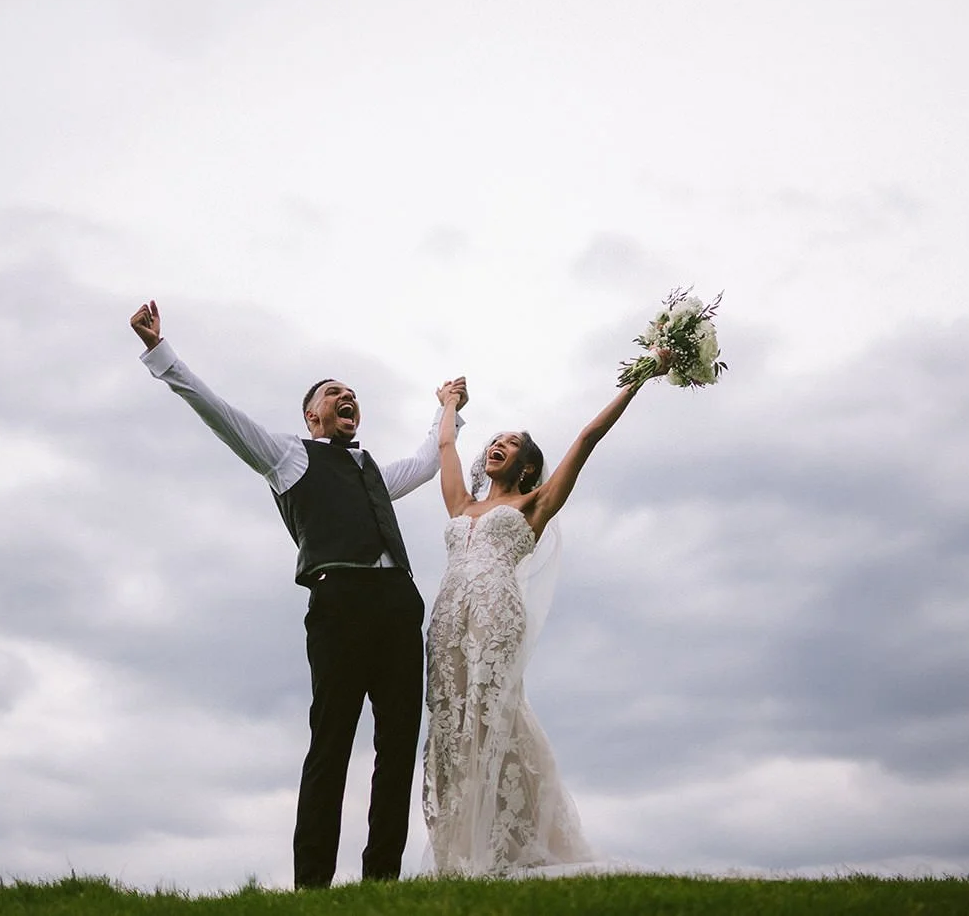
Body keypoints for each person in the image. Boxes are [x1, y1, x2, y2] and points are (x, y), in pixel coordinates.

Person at [129, 299, 467, 889]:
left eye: (351, 393)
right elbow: (217, 411)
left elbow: (422, 460)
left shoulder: (374, 473)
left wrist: (448, 411)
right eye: (334, 393)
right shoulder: (288, 457)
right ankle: (312, 885)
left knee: (398, 748)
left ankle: (381, 883)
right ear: (311, 416)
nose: (347, 398)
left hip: (396, 606)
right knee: (331, 744)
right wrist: (162, 351)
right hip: (338, 605)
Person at [421, 370, 656, 875]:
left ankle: (506, 845)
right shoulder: (462, 503)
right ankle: (457, 851)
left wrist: (642, 375)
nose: (497, 445)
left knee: (491, 713)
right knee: (449, 720)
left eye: (510, 443)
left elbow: (588, 437)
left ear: (527, 468)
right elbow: (445, 446)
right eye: (495, 440)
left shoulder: (534, 504)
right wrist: (449, 401)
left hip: (496, 614)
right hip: (445, 621)